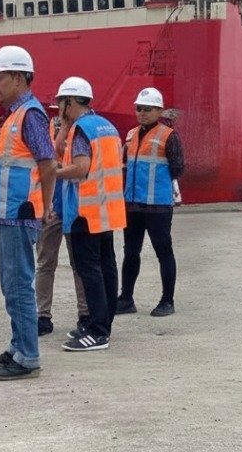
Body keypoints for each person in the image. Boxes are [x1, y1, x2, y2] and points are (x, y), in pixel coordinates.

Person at [0, 45, 56, 381]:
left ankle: (27, 356)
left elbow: (47, 162)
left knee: (18, 286)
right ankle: (18, 345)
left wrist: (47, 204)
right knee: (11, 285)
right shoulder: (16, 115)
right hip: (9, 214)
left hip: (19, 214)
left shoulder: (30, 115)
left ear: (18, 78)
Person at [53, 77, 126, 351]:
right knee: (107, 266)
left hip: (85, 211)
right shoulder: (106, 126)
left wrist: (53, 173)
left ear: (70, 102)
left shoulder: (82, 129)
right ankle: (103, 323)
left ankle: (97, 331)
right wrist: (65, 127)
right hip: (106, 208)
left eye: (61, 103)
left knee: (90, 270)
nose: (60, 109)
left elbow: (81, 168)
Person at [116, 87, 185, 317]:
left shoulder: (169, 136)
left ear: (159, 111)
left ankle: (167, 301)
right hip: (133, 205)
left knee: (163, 252)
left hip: (158, 206)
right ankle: (126, 299)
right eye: (139, 108)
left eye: (147, 109)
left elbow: (178, 168)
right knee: (130, 252)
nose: (142, 113)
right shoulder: (131, 134)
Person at [34, 107, 89, 337]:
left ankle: (85, 314)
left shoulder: (84, 129)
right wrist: (63, 128)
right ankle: (42, 316)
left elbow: (70, 162)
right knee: (45, 261)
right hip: (52, 202)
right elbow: (51, 154)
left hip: (74, 204)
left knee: (79, 263)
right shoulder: (49, 126)